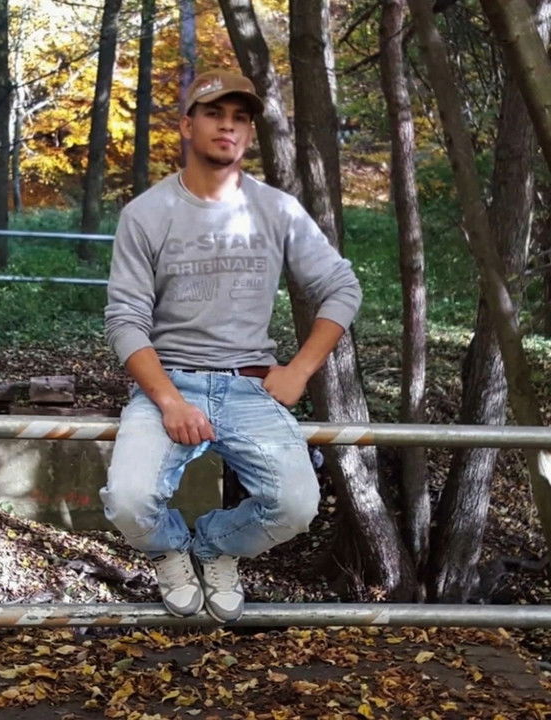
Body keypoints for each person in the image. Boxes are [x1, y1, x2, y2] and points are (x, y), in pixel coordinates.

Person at [100, 69, 362, 622]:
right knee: (128, 501)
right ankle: (169, 549)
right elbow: (125, 320)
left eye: (240, 118)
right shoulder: (146, 213)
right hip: (169, 383)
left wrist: (300, 370)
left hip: (250, 386)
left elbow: (342, 287)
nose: (228, 127)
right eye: (215, 114)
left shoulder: (278, 210)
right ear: (186, 125)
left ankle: (214, 546)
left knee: (296, 505)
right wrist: (169, 400)